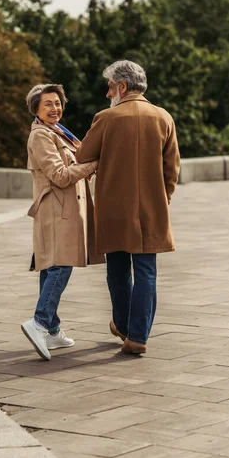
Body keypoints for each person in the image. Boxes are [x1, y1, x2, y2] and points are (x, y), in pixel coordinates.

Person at [76, 60, 180, 354]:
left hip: (113, 208)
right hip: (151, 208)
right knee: (146, 271)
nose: (107, 95)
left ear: (122, 87)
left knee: (118, 269)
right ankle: (137, 337)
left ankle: (123, 325)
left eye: (109, 88)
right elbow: (171, 168)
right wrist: (163, 197)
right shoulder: (163, 117)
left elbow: (83, 154)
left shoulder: (106, 119)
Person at [21, 84, 104, 360]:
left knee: (51, 266)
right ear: (36, 109)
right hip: (56, 210)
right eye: (48, 104)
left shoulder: (58, 131)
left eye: (57, 103)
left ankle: (53, 331)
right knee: (60, 266)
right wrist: (93, 165)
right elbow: (59, 175)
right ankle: (40, 322)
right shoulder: (41, 136)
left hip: (62, 209)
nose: (55, 108)